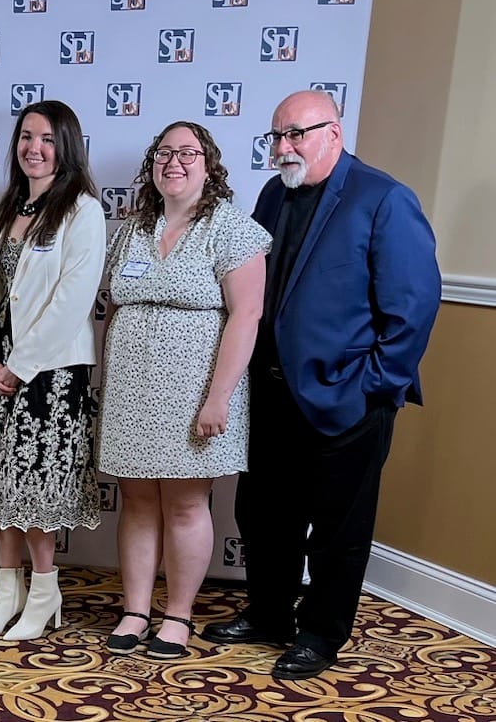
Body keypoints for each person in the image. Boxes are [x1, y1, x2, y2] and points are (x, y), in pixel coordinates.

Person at [201, 91, 441, 680]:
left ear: (333, 132)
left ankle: (320, 634)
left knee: (338, 529)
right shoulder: (271, 195)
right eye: (276, 136)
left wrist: (371, 387)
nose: (283, 147)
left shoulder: (384, 198)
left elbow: (413, 307)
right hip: (273, 393)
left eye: (296, 134)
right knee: (264, 515)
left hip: (349, 399)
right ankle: (268, 615)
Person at [97, 122, 270, 659]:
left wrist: (218, 398)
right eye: (164, 153)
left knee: (187, 504)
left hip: (196, 390)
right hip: (131, 388)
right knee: (138, 500)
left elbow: (247, 315)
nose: (174, 162)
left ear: (209, 163)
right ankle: (135, 609)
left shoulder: (231, 228)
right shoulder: (132, 227)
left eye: (187, 152)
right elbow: (114, 305)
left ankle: (178, 615)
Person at [0, 100, 106, 641]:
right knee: (0, 486)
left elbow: (73, 298)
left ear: (64, 145)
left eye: (46, 138)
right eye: (26, 137)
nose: (33, 148)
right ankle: (7, 597)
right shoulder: (9, 208)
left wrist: (21, 366)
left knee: (36, 492)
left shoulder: (82, 210)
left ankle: (45, 595)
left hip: (51, 373)